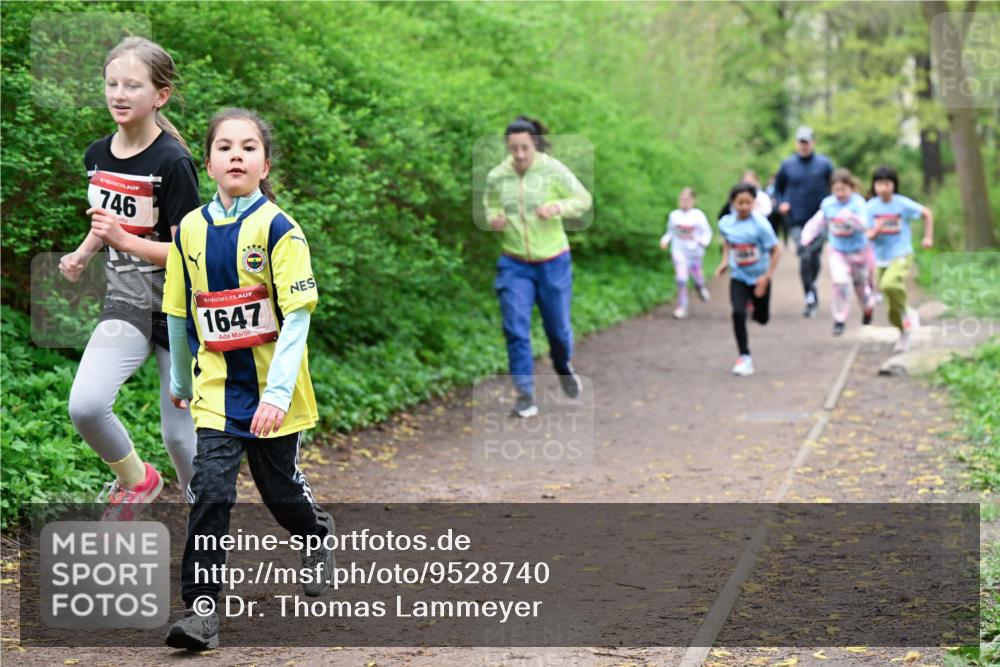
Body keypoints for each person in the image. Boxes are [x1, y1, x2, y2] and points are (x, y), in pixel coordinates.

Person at [163, 108, 335, 650]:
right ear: (208, 162)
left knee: (279, 490)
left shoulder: (280, 229)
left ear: (264, 164)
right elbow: (178, 310)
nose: (236, 155)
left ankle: (316, 534)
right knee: (210, 489)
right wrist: (180, 377)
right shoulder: (189, 228)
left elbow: (298, 318)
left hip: (272, 393)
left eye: (249, 147)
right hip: (215, 389)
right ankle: (202, 611)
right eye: (224, 147)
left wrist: (279, 393)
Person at [59, 37, 198, 519]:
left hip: (179, 311)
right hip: (127, 302)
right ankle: (138, 480)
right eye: (111, 83)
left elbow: (189, 254)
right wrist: (82, 254)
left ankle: (209, 532)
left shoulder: (173, 162)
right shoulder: (97, 154)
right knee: (87, 405)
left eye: (132, 85)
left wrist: (124, 241)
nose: (118, 94)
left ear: (159, 96)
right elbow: (106, 220)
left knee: (180, 437)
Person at [484, 116, 593, 417]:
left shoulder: (552, 170)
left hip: (553, 261)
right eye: (513, 149)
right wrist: (494, 217)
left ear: (535, 145)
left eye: (525, 148)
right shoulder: (498, 176)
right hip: (514, 263)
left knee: (557, 330)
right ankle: (525, 395)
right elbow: (490, 203)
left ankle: (562, 365)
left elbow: (583, 199)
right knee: (515, 328)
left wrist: (558, 207)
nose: (519, 155)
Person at [864, 165, 934, 352]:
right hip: (882, 258)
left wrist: (928, 237)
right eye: (879, 183)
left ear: (894, 185)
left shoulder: (902, 203)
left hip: (902, 253)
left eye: (887, 183)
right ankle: (903, 331)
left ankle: (908, 312)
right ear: (874, 186)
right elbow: (867, 235)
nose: (884, 188)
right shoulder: (870, 207)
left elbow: (926, 213)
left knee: (889, 284)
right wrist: (875, 231)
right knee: (890, 308)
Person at [715, 182, 782, 377]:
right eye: (739, 203)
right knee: (737, 312)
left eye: (748, 202)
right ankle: (744, 356)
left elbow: (776, 250)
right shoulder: (726, 223)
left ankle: (757, 311)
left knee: (762, 318)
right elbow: (728, 242)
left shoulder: (761, 225)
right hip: (739, 276)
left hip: (760, 277)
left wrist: (767, 277)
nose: (743, 206)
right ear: (732, 203)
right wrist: (725, 261)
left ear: (754, 203)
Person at [800, 168, 875, 336]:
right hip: (838, 251)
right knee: (840, 282)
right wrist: (806, 237)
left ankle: (868, 307)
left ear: (851, 187)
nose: (840, 194)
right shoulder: (828, 204)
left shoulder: (858, 203)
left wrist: (852, 218)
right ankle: (839, 319)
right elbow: (818, 221)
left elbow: (866, 225)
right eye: (836, 190)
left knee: (861, 287)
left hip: (858, 252)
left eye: (843, 190)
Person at [774, 126, 835, 318]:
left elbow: (836, 186)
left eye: (807, 141)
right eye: (801, 141)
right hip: (796, 220)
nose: (804, 145)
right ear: (796, 143)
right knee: (805, 254)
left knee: (814, 257)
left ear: (813, 143)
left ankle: (812, 283)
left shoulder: (824, 164)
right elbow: (777, 189)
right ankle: (810, 295)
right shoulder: (787, 165)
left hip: (820, 220)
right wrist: (782, 202)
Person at [660, 187, 712, 319]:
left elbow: (707, 232)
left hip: (694, 253)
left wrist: (703, 242)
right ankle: (681, 307)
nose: (684, 202)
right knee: (681, 279)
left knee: (697, 279)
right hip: (679, 251)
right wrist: (665, 240)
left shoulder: (698, 215)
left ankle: (700, 287)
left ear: (693, 200)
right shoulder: (674, 215)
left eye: (687, 199)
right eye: (682, 199)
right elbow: (670, 232)